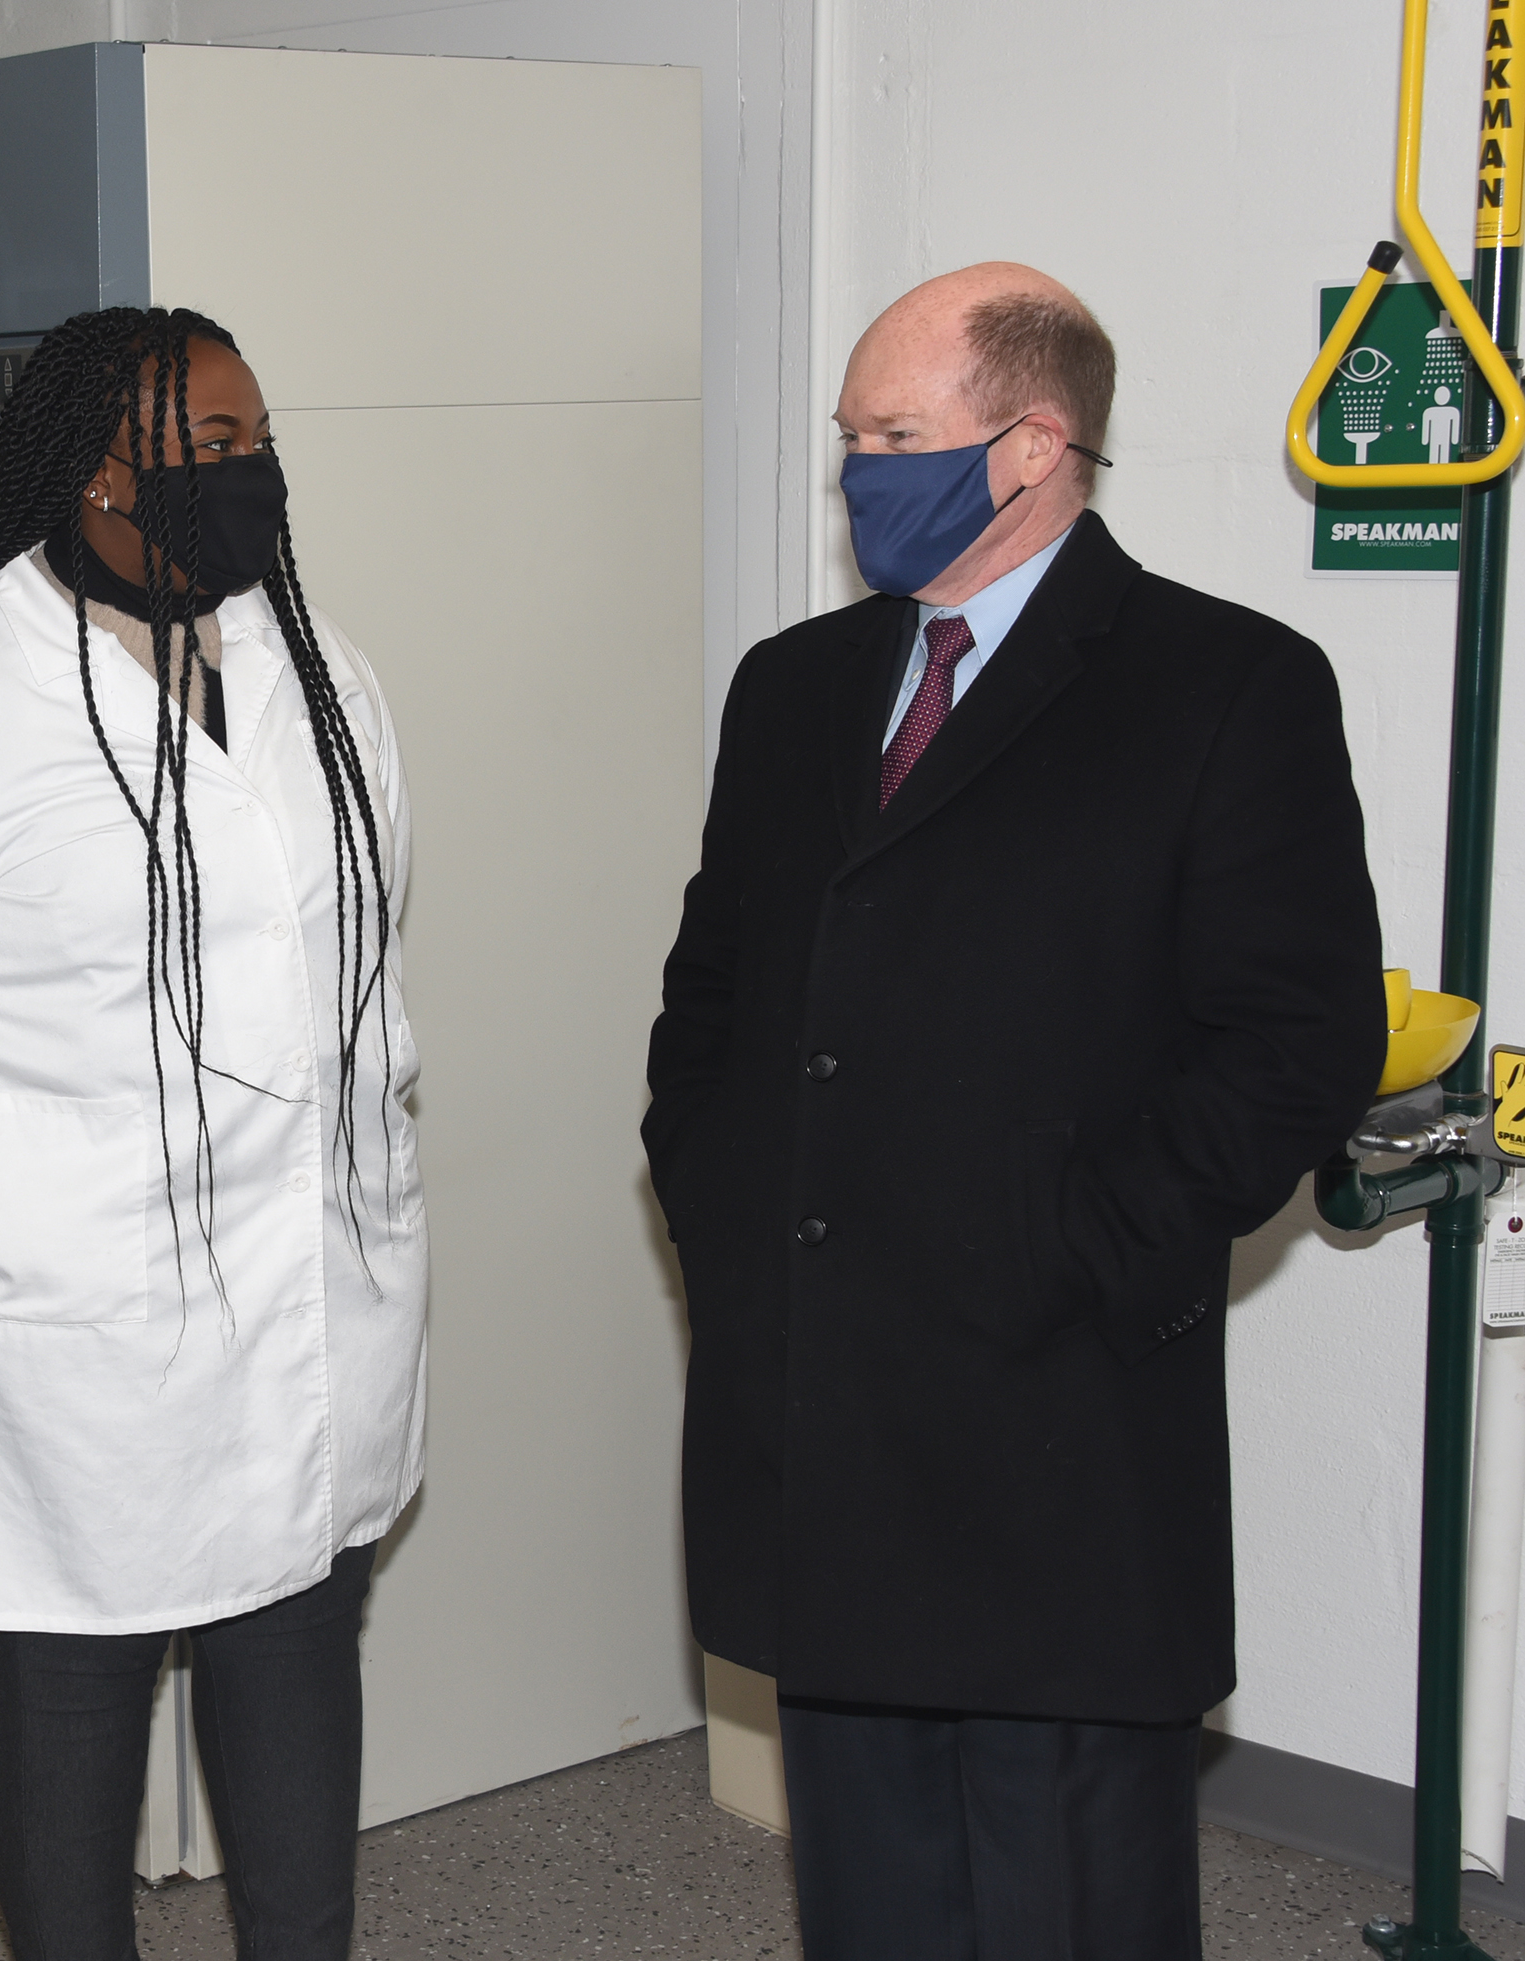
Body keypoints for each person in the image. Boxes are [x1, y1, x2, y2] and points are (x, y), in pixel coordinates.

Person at [642, 262, 1385, 1958]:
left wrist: (1073, 1243)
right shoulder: (797, 688)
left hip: (1050, 1403)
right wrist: (723, 1191)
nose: (856, 473)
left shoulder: (1226, 685)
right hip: (823, 1389)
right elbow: (713, 997)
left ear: (1034, 445)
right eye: (849, 437)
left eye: (895, 435)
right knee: (872, 1882)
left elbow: (1294, 1040)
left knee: (1064, 1891)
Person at [0, 307, 425, 1961]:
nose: (253, 472)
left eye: (261, 435)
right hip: (77, 1285)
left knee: (295, 1624)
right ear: (102, 473)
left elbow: (366, 919)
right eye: (213, 445)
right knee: (73, 1658)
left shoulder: (311, 664)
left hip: (311, 1250)